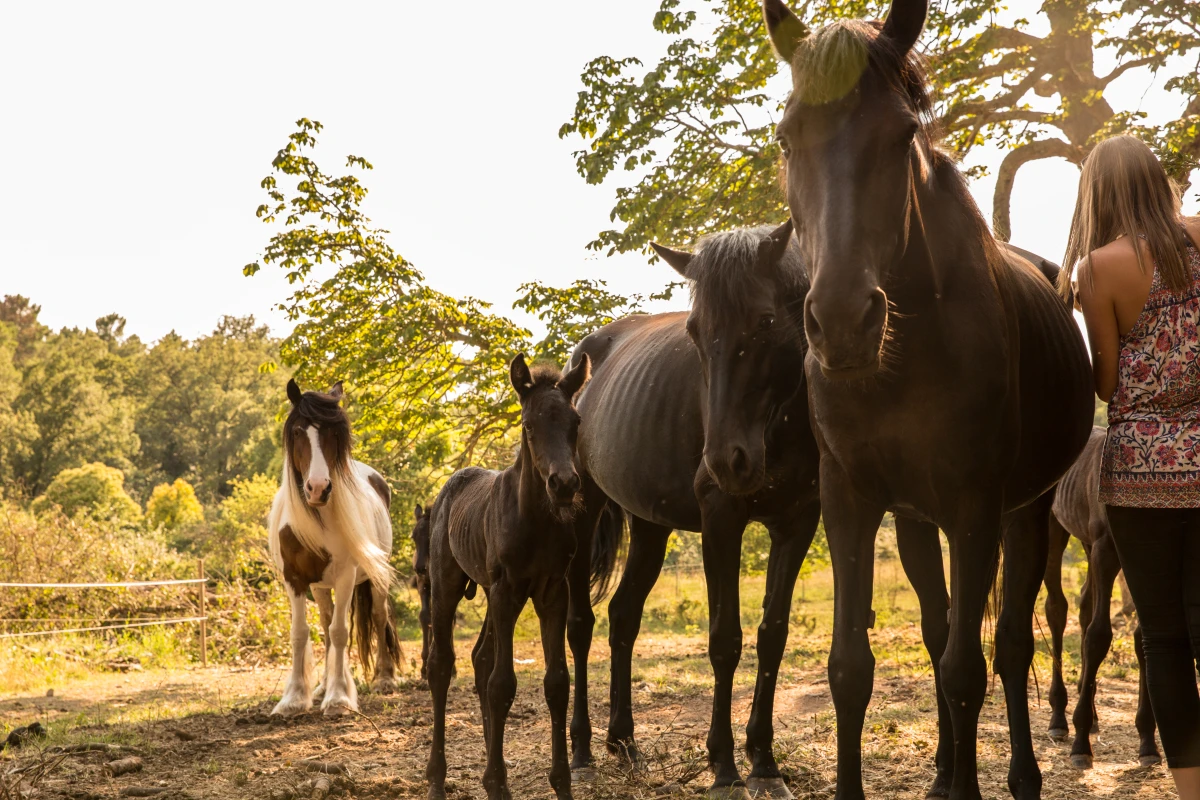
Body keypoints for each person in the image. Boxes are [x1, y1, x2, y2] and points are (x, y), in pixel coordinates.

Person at [1066, 134, 1200, 797]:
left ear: (1100, 193)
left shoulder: (1097, 268)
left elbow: (1107, 384)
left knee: (1165, 640)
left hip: (1141, 476)